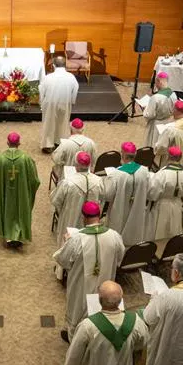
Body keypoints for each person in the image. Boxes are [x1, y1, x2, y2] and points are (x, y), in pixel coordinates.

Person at [54, 202, 125, 342]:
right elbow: (120, 257)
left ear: (84, 218)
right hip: (105, 283)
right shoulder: (114, 235)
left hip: (81, 284)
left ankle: (75, 338)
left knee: (78, 308)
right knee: (102, 304)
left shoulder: (76, 239)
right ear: (99, 216)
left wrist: (66, 241)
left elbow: (63, 260)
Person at [0, 132, 40, 246]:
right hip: (22, 192)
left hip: (5, 192)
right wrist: (29, 188)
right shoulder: (26, 159)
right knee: (21, 207)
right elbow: (35, 180)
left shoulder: (0, 159)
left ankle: (8, 235)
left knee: (7, 207)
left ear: (7, 143)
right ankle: (19, 235)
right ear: (19, 143)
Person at [51, 151, 105, 250]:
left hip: (70, 218)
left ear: (76, 165)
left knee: (67, 244)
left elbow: (56, 201)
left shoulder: (68, 183)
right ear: (89, 165)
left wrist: (63, 210)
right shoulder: (98, 181)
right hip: (91, 219)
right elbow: (102, 198)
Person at [105, 141, 151, 245]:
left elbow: (108, 195)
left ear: (123, 155)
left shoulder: (117, 173)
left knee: (117, 229)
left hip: (119, 208)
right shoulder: (144, 171)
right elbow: (148, 189)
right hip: (137, 207)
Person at [148, 146, 183, 240]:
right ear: (180, 158)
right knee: (174, 230)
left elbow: (152, 193)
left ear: (168, 157)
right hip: (177, 204)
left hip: (162, 205)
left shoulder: (162, 173)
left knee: (159, 231)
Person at [40, 56, 79, 153]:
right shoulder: (71, 77)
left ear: (53, 65)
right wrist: (72, 101)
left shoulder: (48, 77)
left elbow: (42, 90)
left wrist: (42, 103)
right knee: (63, 123)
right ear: (65, 65)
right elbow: (75, 89)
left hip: (50, 103)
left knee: (49, 123)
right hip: (64, 102)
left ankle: (48, 145)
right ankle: (59, 143)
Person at [155, 100, 183, 169]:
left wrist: (156, 148)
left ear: (176, 111)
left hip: (172, 163)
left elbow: (161, 147)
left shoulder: (171, 129)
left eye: (173, 109)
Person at [143, 72, 173, 147]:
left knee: (153, 144)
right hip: (167, 122)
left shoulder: (156, 97)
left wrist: (145, 109)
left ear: (159, 81)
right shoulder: (173, 94)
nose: (155, 85)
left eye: (156, 82)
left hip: (156, 125)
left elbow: (149, 115)